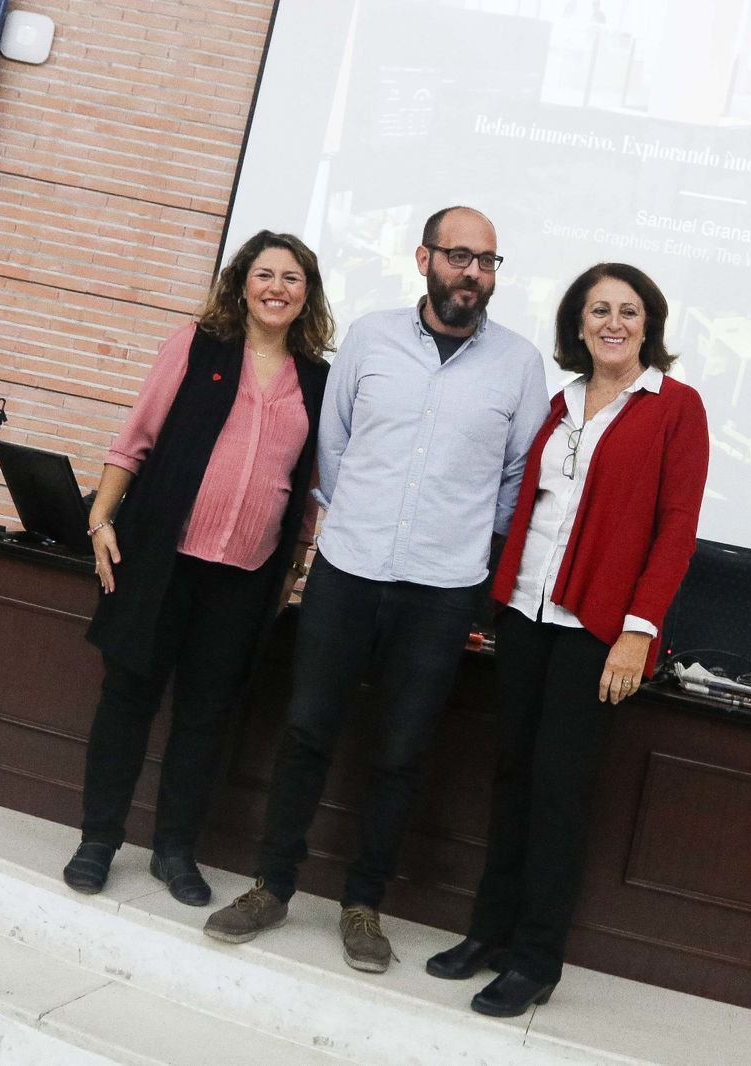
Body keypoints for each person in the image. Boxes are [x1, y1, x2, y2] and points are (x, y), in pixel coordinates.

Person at [203, 207, 551, 972]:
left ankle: (364, 905)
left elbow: (518, 477)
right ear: (424, 258)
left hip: (442, 590)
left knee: (399, 752)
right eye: (460, 257)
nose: (473, 274)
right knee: (306, 732)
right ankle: (272, 885)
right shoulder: (369, 336)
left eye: (488, 262)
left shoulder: (520, 365)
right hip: (349, 570)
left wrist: (459, 538)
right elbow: (334, 445)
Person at [426, 262, 709, 1015]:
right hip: (525, 614)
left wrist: (636, 634)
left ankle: (535, 958)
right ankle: (487, 933)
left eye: (628, 311)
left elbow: (676, 531)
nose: (612, 322)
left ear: (649, 325)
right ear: (578, 325)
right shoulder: (558, 403)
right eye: (597, 310)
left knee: (559, 792)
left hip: (597, 629)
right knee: (512, 780)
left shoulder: (676, 407)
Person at [61, 230, 333, 906]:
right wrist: (100, 522)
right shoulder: (196, 345)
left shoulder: (320, 380)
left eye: (292, 278)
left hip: (246, 577)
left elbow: (307, 486)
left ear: (308, 295)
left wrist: (294, 567)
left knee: (206, 717)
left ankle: (175, 849)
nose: (277, 288)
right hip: (161, 561)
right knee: (128, 700)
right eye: (265, 273)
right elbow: (135, 440)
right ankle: (99, 840)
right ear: (241, 282)